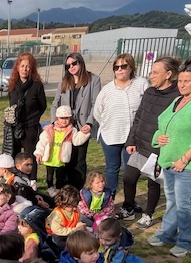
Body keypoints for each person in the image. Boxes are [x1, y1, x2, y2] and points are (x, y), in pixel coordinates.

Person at [148, 57, 191, 257]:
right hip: (170, 160)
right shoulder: (178, 99)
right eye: (180, 80)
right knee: (172, 199)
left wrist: (185, 158)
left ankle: (186, 241)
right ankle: (167, 234)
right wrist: (158, 138)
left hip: (189, 163)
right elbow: (164, 123)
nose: (182, 85)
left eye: (187, 81)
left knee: (184, 203)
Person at [119, 56, 181, 229]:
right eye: (151, 72)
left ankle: (148, 214)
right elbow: (139, 117)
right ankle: (129, 208)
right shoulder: (149, 92)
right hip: (140, 145)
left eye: (155, 72)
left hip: (159, 149)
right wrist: (131, 140)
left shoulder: (177, 96)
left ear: (168, 74)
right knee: (129, 178)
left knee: (153, 183)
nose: (150, 75)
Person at [93, 53, 149, 196]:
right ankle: (109, 200)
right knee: (112, 169)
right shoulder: (107, 89)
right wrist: (108, 124)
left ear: (131, 67)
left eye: (123, 66)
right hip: (110, 135)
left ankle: (129, 201)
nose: (119, 70)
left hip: (133, 138)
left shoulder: (141, 84)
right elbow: (97, 112)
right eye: (116, 67)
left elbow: (147, 109)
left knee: (131, 171)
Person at [51, 53, 101, 189]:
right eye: (68, 65)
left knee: (79, 160)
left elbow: (95, 104)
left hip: (82, 127)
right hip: (65, 127)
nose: (71, 67)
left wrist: (89, 123)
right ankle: (62, 190)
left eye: (74, 63)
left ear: (80, 63)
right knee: (64, 158)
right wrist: (54, 121)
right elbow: (55, 103)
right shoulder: (64, 82)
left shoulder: (93, 80)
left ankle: (78, 190)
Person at [5, 52, 47, 181]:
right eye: (22, 66)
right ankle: (16, 180)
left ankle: (32, 181)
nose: (24, 69)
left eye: (28, 66)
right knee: (14, 155)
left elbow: (42, 106)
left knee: (30, 156)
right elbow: (11, 103)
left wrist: (32, 118)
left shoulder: (37, 85)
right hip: (15, 127)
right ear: (17, 67)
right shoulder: (12, 85)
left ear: (32, 68)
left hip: (30, 128)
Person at [34, 105, 91, 196]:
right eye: (62, 118)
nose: (64, 121)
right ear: (57, 118)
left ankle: (58, 190)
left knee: (60, 176)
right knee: (49, 176)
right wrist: (39, 153)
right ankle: (50, 188)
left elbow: (77, 141)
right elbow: (42, 142)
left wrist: (84, 133)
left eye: (67, 118)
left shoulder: (71, 130)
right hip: (50, 158)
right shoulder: (49, 130)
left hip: (61, 159)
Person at [45, 185, 86, 251]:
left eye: (75, 205)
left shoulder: (75, 209)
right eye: (72, 206)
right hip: (56, 235)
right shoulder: (57, 214)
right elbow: (58, 230)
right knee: (60, 244)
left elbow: (78, 219)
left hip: (70, 232)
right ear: (63, 203)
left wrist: (79, 225)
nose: (75, 208)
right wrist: (74, 230)